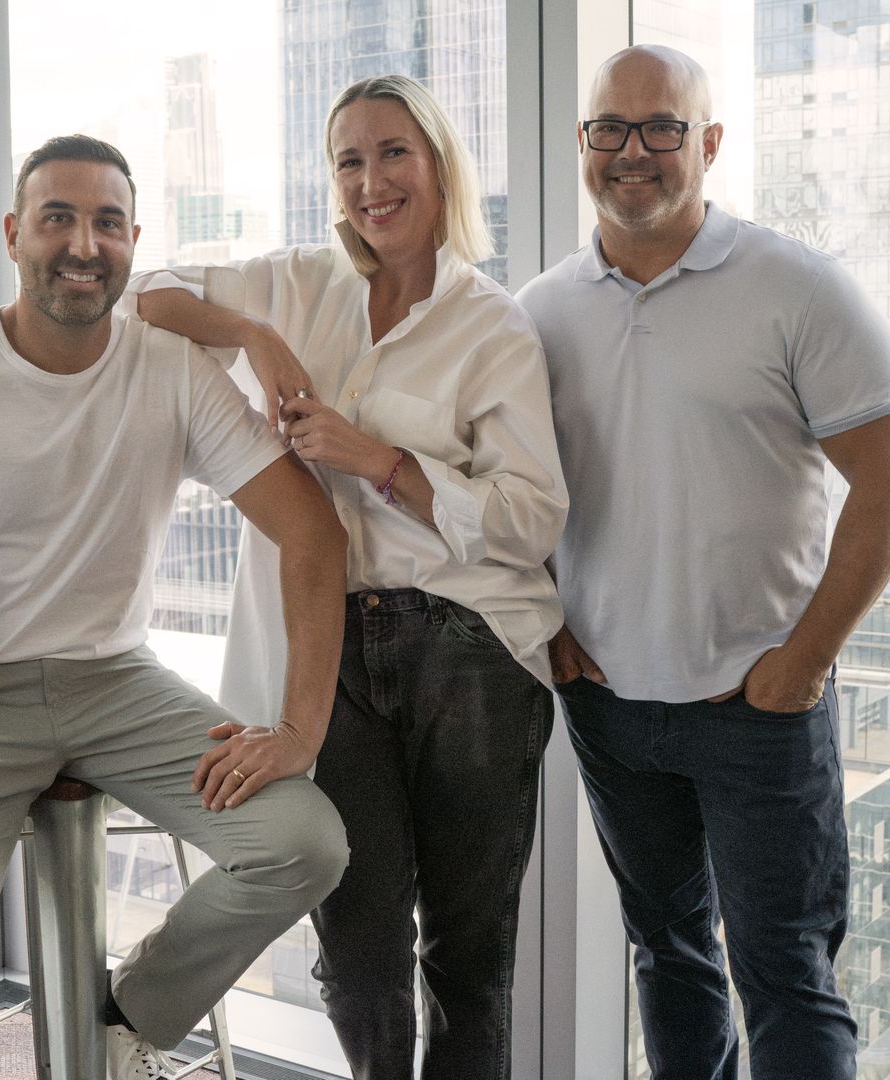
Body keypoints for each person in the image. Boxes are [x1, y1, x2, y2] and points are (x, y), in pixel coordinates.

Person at [0, 134, 350, 1080]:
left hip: (118, 684)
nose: (84, 244)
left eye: (107, 223)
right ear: (14, 233)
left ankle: (125, 1018)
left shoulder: (170, 370)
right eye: (58, 218)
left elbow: (313, 533)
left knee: (304, 845)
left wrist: (298, 728)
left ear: (133, 241)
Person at [132, 74, 567, 1079]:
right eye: (349, 159)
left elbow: (532, 517)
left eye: (393, 153)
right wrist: (252, 334)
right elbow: (145, 293)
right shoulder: (293, 282)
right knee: (358, 952)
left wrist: (378, 460)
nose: (372, 181)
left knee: (469, 958)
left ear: (439, 163)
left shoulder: (492, 325)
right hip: (322, 653)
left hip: (468, 646)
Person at [515, 45, 890, 1079]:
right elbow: (511, 498)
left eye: (662, 128)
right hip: (610, 703)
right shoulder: (540, 310)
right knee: (670, 957)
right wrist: (554, 626)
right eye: (611, 127)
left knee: (786, 974)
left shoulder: (796, 287)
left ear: (708, 143)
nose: (633, 151)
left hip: (760, 706)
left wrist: (803, 662)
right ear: (583, 144)